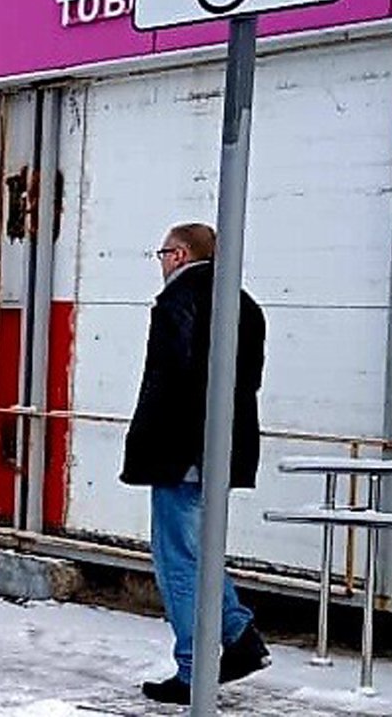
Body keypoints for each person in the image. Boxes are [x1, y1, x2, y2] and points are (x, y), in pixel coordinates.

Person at [122, 223, 272, 705]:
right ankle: (239, 635)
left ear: (181, 255)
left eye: (163, 253)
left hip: (181, 452)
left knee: (177, 560)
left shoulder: (178, 301)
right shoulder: (245, 303)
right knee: (200, 550)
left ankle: (193, 667)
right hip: (222, 449)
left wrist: (153, 448)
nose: (162, 262)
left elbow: (172, 381)